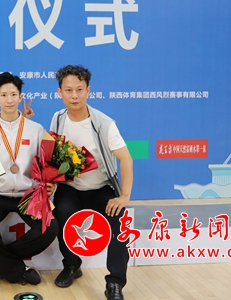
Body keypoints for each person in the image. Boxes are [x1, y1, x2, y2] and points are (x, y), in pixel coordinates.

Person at [50, 65, 133, 300]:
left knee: (118, 222)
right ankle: (71, 265)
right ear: (60, 92)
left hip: (100, 189)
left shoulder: (104, 123)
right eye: (68, 90)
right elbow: (53, 156)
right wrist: (52, 183)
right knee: (61, 214)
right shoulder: (57, 119)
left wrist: (124, 196)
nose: (74, 95)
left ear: (88, 90)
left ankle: (115, 282)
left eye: (79, 89)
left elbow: (126, 159)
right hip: (70, 188)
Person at [0, 72, 58, 285]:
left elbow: (47, 164)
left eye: (13, 94)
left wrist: (51, 185)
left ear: (20, 96)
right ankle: (17, 271)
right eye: (3, 95)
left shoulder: (36, 129)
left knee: (50, 227)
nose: (9, 99)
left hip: (28, 194)